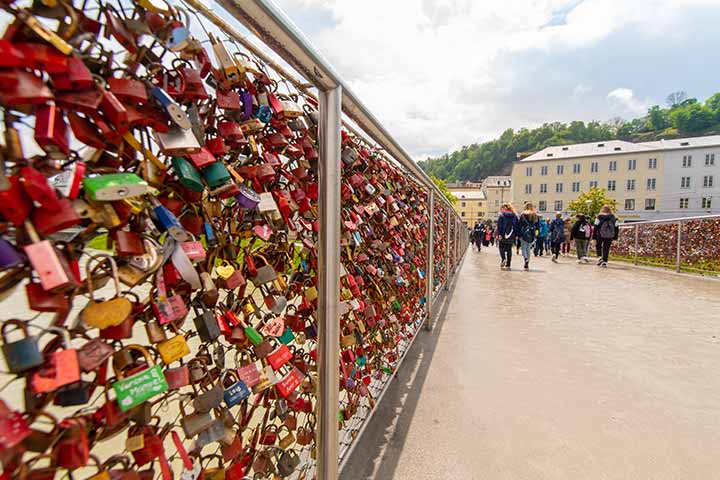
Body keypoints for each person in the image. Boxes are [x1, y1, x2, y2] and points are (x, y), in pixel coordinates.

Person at [495, 203, 518, 270]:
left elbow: (499, 226)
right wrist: (516, 234)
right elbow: (516, 226)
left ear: (504, 208)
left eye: (501, 208)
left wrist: (499, 234)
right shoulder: (514, 216)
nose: (501, 210)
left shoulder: (501, 216)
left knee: (501, 247)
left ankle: (503, 259)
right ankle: (508, 264)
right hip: (511, 235)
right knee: (509, 249)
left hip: (503, 234)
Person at [518, 203, 540, 270]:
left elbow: (519, 225)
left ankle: (525, 259)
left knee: (523, 248)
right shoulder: (535, 215)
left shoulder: (523, 214)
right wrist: (536, 235)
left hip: (523, 233)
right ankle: (527, 263)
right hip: (532, 233)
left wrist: (519, 234)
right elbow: (537, 227)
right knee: (528, 248)